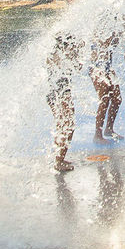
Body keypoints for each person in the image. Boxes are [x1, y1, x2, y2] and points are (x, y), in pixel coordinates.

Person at [47, 32, 81, 172]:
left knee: (63, 125)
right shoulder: (59, 57)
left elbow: (77, 67)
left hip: (57, 93)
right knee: (68, 125)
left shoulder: (55, 55)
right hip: (60, 94)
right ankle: (58, 161)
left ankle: (59, 157)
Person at [89, 34, 122, 143]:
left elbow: (114, 44)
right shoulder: (99, 25)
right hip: (97, 66)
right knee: (104, 100)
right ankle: (97, 135)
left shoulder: (113, 24)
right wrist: (112, 37)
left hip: (107, 66)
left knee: (117, 99)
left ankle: (109, 129)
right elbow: (100, 42)